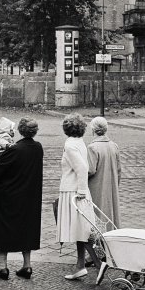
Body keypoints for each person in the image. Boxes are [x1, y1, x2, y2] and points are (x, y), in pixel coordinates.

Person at [0, 117, 43, 280]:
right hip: (29, 196)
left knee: (1, 229)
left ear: (20, 130)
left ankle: (2, 266)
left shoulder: (15, 149)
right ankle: (27, 265)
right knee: (27, 228)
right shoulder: (38, 148)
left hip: (8, 195)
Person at [56, 113, 93, 280]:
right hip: (76, 190)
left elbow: (82, 169)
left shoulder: (70, 145)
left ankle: (88, 264)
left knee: (81, 230)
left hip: (73, 191)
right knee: (81, 230)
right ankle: (80, 265)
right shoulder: (79, 142)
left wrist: (81, 192)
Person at [87, 116, 121, 231]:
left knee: (98, 216)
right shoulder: (114, 146)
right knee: (111, 214)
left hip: (97, 188)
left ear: (93, 130)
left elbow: (90, 170)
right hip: (111, 187)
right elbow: (118, 170)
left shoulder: (92, 147)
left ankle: (99, 241)